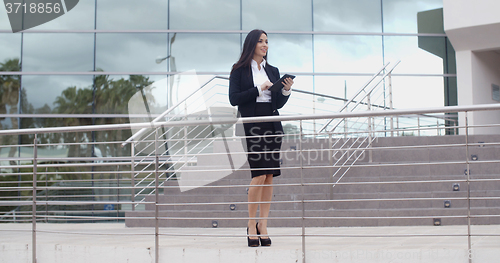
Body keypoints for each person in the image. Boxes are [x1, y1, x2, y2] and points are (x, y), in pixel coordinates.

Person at [229, 29, 294, 247]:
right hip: (253, 124)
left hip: (272, 122)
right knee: (258, 175)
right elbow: (233, 98)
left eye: (267, 41)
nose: (265, 45)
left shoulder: (273, 70)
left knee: (268, 176)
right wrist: (259, 88)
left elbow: (277, 104)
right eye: (261, 41)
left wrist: (284, 91)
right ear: (251, 45)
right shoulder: (239, 70)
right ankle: (250, 224)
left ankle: (263, 225)